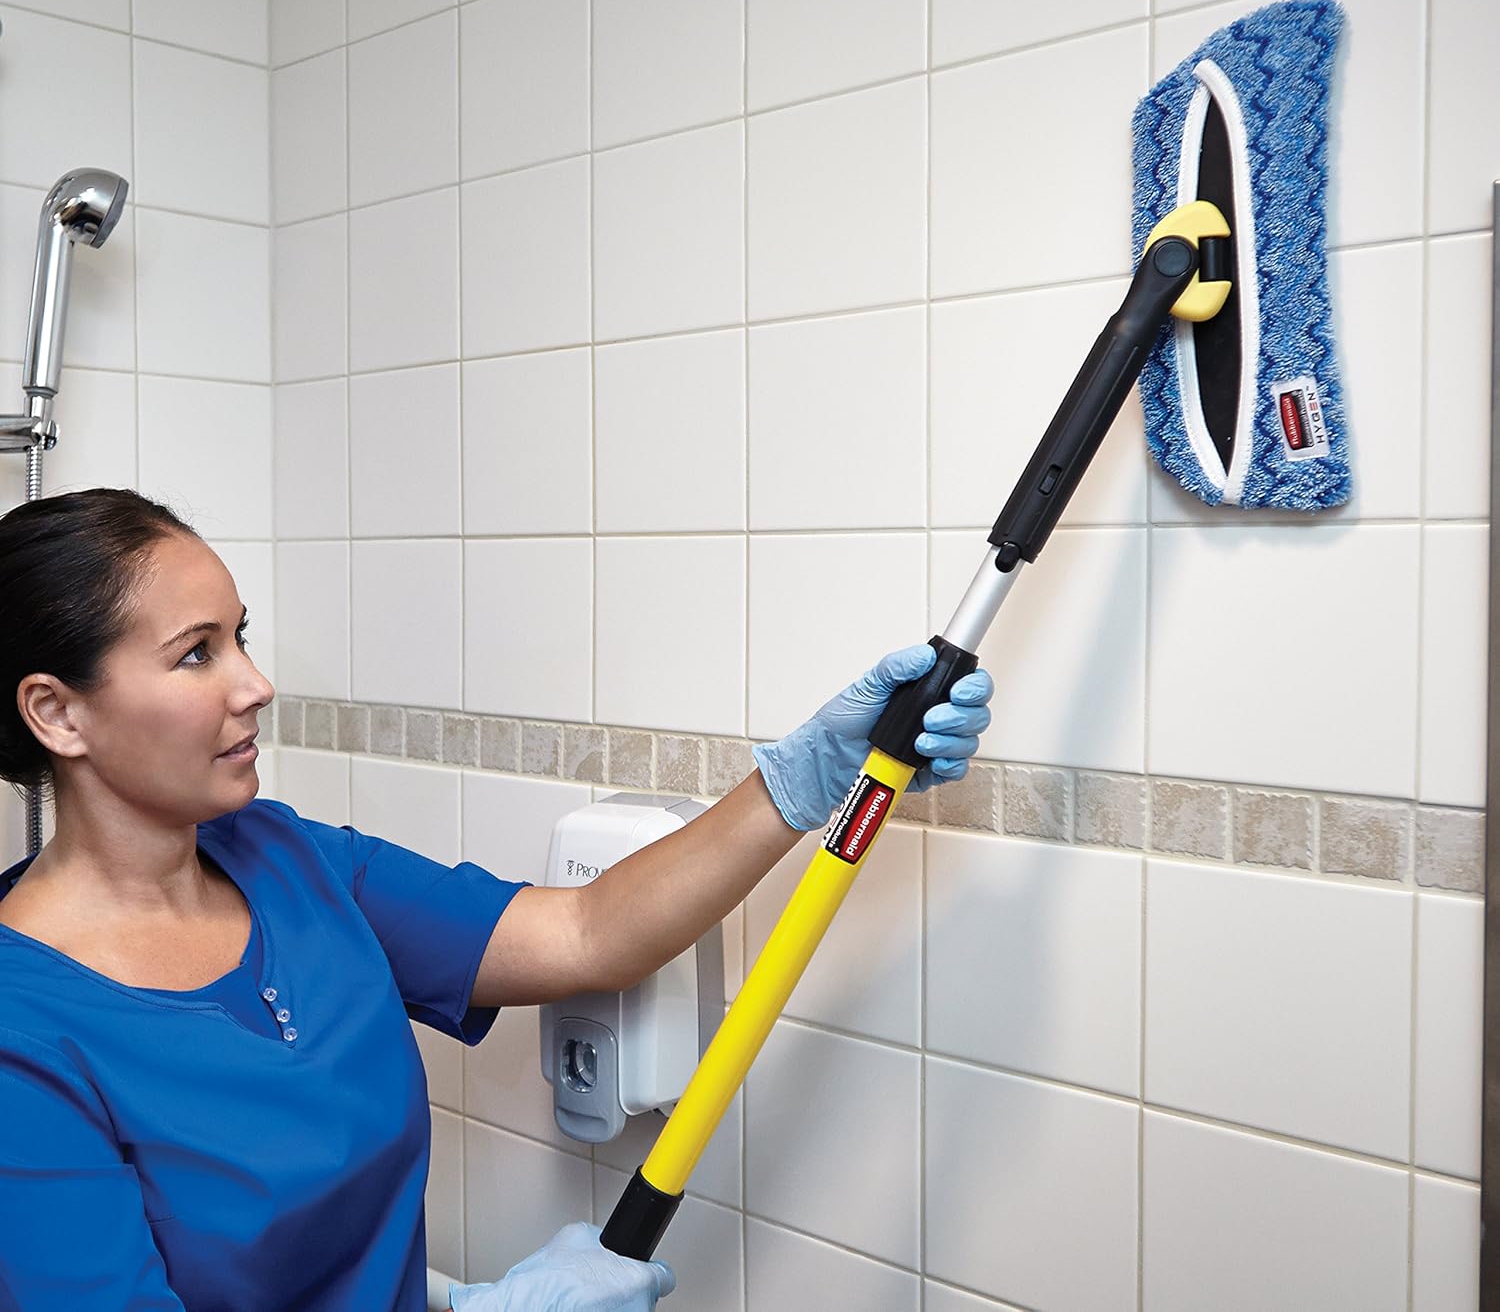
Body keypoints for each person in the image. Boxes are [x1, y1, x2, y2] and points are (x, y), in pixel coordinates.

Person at [0, 489, 993, 1310]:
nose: (254, 684)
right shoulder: (21, 1037)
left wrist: (798, 784)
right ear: (57, 713)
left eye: (240, 638)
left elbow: (583, 933)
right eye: (196, 653)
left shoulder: (286, 858)